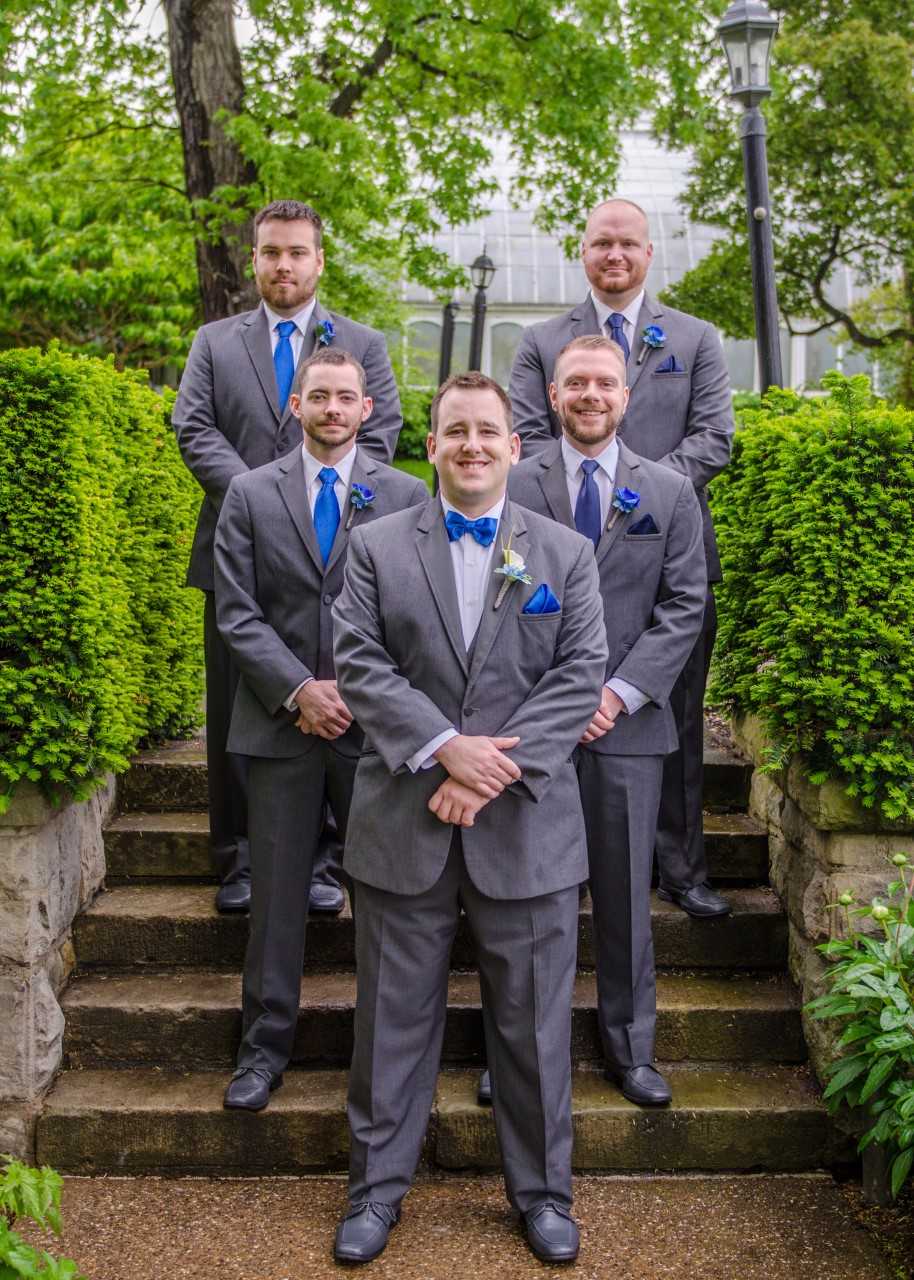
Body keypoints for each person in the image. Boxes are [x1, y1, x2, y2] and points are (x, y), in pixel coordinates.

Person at [330, 371, 607, 1265]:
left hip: (527, 832)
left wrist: (487, 772)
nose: (473, 446)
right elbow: (361, 664)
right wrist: (445, 747)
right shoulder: (375, 548)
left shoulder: (564, 554)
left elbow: (577, 677)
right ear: (432, 445)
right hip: (403, 822)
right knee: (389, 1026)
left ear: (515, 445)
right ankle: (374, 1193)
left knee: (530, 1029)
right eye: (456, 432)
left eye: (488, 431)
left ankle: (543, 1197)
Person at [173, 199, 402, 915]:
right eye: (272, 252)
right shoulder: (215, 342)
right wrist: (263, 499)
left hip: (341, 557)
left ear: (318, 260)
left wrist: (308, 495)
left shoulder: (361, 342)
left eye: (297, 252)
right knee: (239, 707)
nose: (284, 265)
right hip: (234, 554)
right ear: (255, 260)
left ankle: (325, 860)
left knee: (337, 704)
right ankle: (238, 857)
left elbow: (384, 431)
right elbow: (193, 425)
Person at [212, 348, 427, 1112]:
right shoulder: (247, 494)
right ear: (294, 405)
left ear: (368, 410)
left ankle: (383, 1060)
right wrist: (299, 688)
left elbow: (414, 615)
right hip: (278, 726)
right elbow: (235, 611)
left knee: (385, 900)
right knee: (274, 899)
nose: (333, 409)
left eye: (347, 398)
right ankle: (262, 1052)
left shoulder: (406, 494)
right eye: (319, 397)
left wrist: (362, 695)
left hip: (374, 734)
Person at [509, 198, 734, 918]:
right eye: (601, 242)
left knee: (674, 717)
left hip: (659, 555)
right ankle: (560, 863)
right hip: (552, 556)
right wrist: (588, 483)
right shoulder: (543, 340)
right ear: (582, 251)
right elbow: (522, 440)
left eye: (628, 244)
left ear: (648, 253)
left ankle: (680, 865)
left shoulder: (695, 339)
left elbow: (714, 438)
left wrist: (636, 486)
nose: (615, 255)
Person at [510, 334, 706, 1107]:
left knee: (625, 896)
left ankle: (631, 1049)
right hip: (529, 729)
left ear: (626, 397)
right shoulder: (513, 485)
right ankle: (519, 1053)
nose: (591, 395)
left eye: (605, 384)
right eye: (576, 384)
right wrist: (556, 700)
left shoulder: (670, 492)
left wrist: (618, 692)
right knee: (524, 901)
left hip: (627, 728)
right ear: (554, 396)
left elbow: (683, 605)